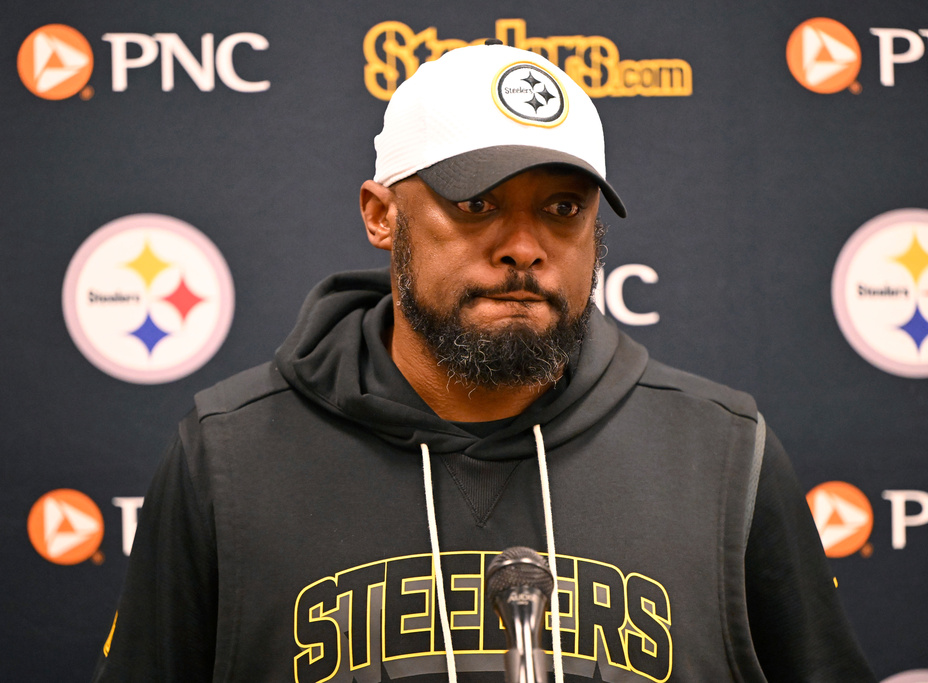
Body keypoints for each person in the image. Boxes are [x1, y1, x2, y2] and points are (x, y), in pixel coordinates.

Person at [92, 43, 875, 683]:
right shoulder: (227, 459)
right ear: (379, 213)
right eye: (477, 204)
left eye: (562, 208)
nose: (524, 246)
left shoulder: (724, 457)